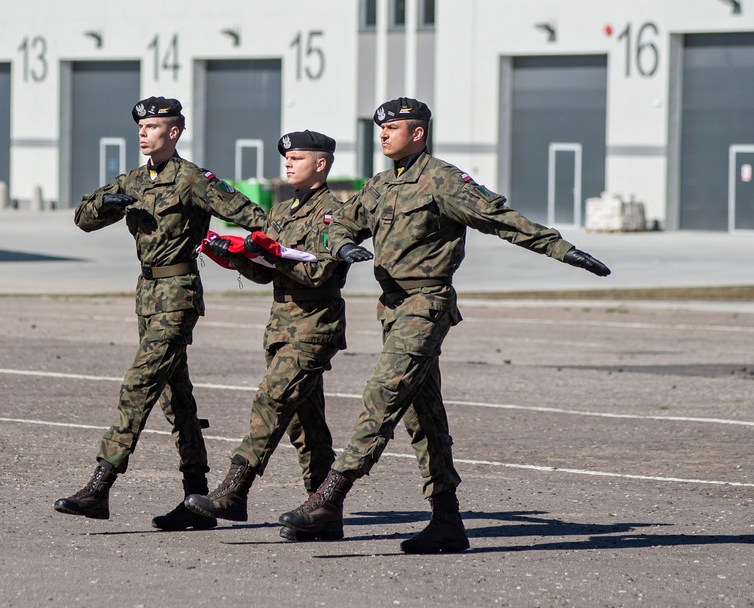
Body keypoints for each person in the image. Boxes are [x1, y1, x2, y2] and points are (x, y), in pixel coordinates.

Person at [277, 97, 611, 553]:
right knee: (424, 417)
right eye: (381, 128)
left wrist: (561, 249)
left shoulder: (443, 180)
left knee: (383, 395)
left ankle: (329, 498)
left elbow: (497, 218)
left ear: (417, 133)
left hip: (425, 304)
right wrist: (342, 247)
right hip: (392, 309)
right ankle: (447, 521)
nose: (383, 135)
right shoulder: (377, 185)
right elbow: (340, 224)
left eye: (393, 128)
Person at [54, 96, 267, 530]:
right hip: (146, 295)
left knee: (139, 384)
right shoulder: (134, 178)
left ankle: (100, 486)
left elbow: (251, 214)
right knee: (176, 399)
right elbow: (83, 217)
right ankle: (196, 499)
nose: (143, 133)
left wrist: (274, 248)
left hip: (178, 294)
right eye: (140, 127)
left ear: (173, 132)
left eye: (152, 127)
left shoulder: (192, 179)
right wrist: (109, 202)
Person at [184, 131, 349, 540]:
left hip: (315, 324)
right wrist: (234, 256)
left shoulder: (337, 214)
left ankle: (235, 490)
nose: (289, 163)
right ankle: (323, 510)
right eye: (287, 157)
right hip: (281, 326)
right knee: (304, 423)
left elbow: (321, 271)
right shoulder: (280, 212)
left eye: (298, 157)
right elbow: (265, 271)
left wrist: (276, 256)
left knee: (272, 399)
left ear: (322, 164)